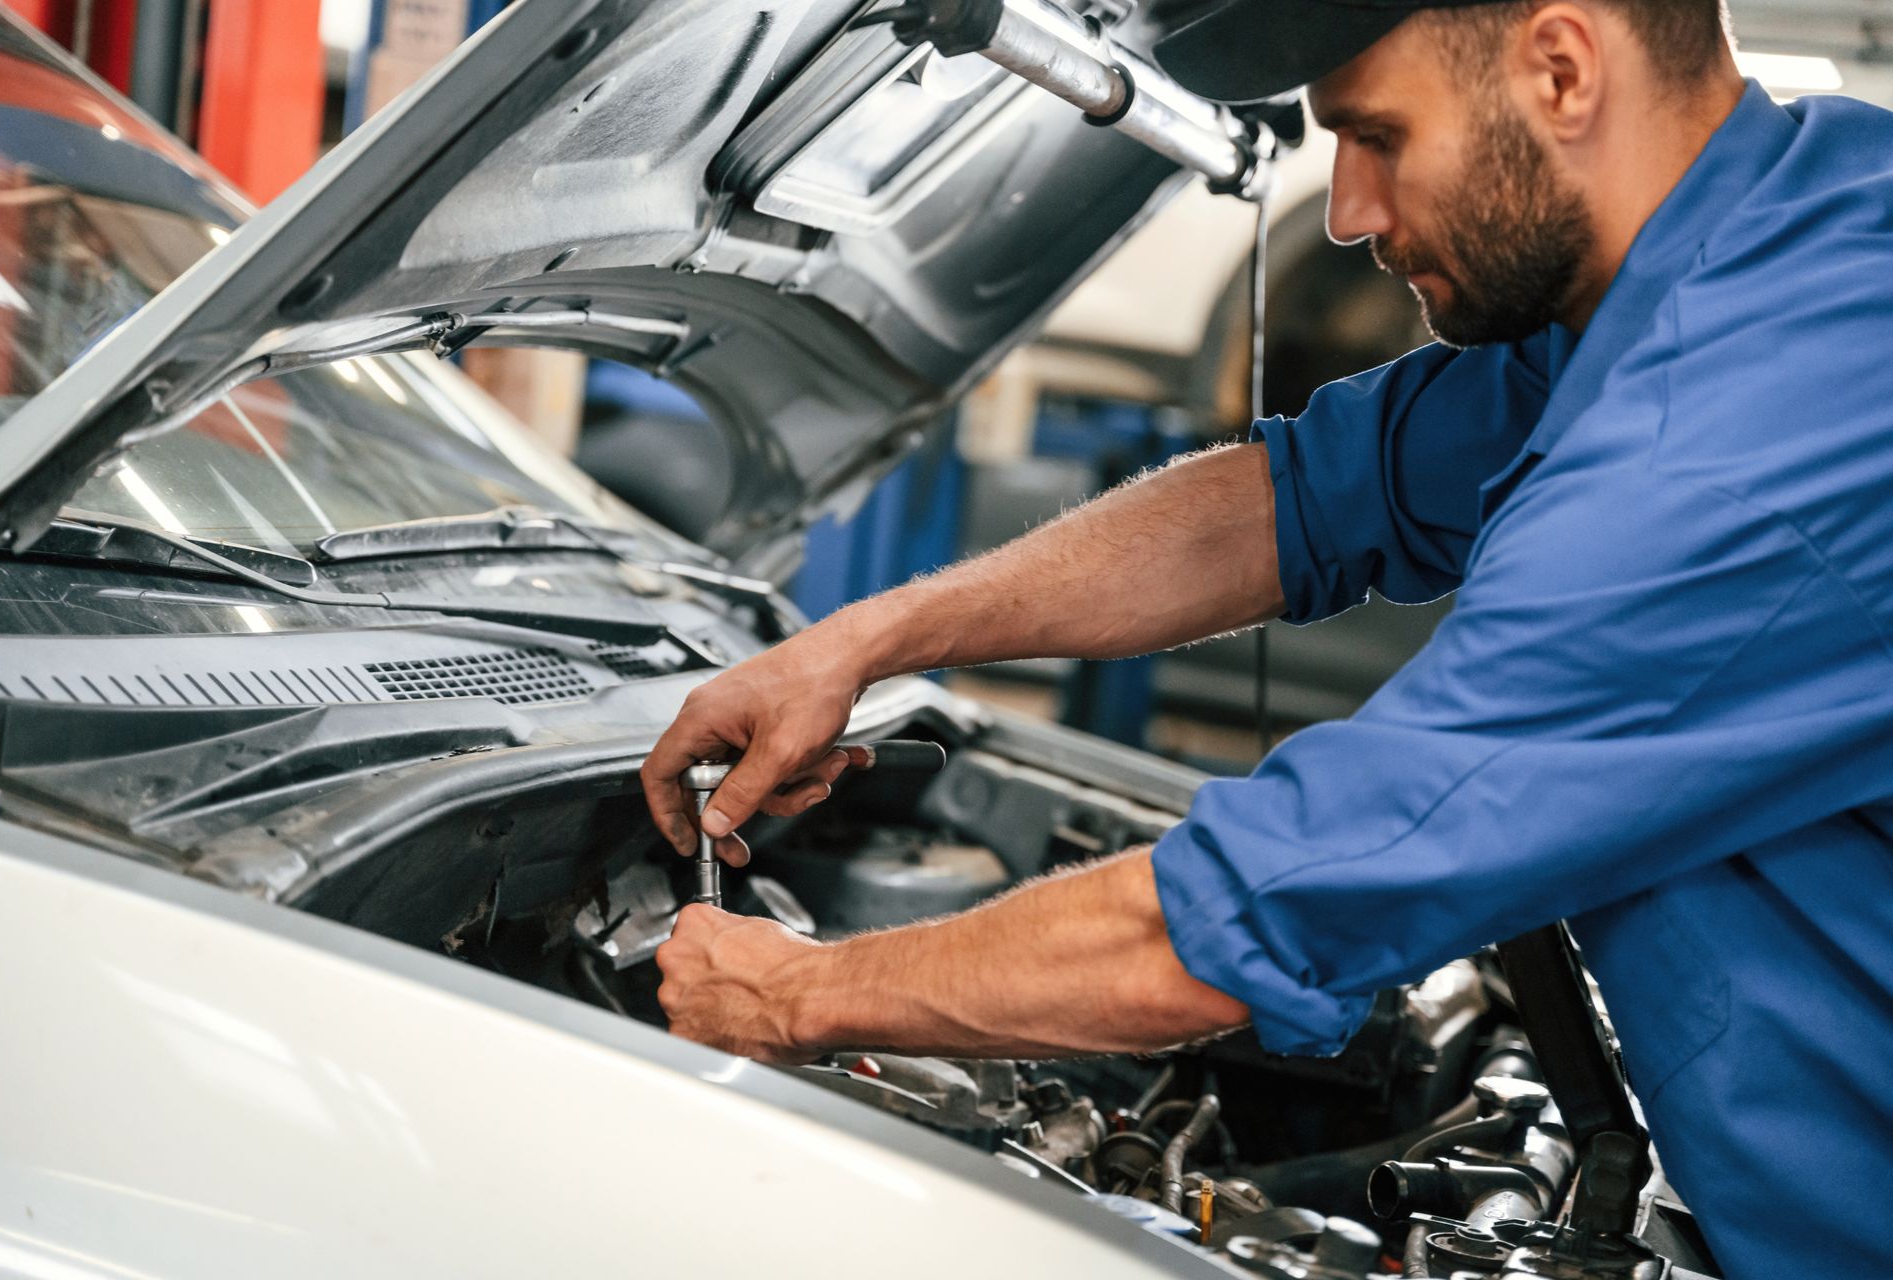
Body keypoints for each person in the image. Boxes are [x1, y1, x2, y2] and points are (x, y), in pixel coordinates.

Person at [639, 2, 1893, 1274]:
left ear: (1562, 71)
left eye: (1377, 135)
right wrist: (867, 640)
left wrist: (791, 994)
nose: (1345, 209)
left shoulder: (1740, 449)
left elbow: (1255, 914)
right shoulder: (1772, 240)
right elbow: (1300, 500)